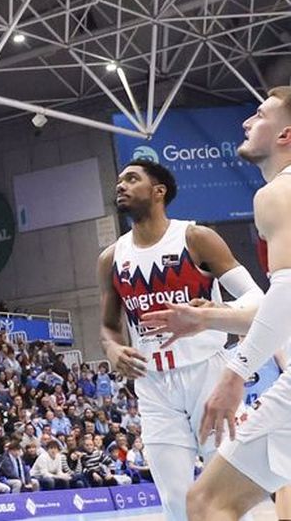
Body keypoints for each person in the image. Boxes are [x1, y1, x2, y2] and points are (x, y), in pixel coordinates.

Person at [96, 158, 262, 520]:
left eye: (131, 179)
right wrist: (112, 347)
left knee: (227, 494)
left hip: (208, 374)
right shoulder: (111, 258)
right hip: (153, 385)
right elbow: (109, 325)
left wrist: (210, 315)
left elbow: (256, 300)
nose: (120, 186)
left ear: (159, 191)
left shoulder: (195, 237)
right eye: (119, 180)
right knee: (174, 501)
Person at [184, 88, 291, 520]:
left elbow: (288, 295)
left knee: (208, 502)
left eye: (260, 115)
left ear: (286, 134)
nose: (246, 123)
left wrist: (236, 372)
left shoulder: (278, 194)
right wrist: (207, 317)